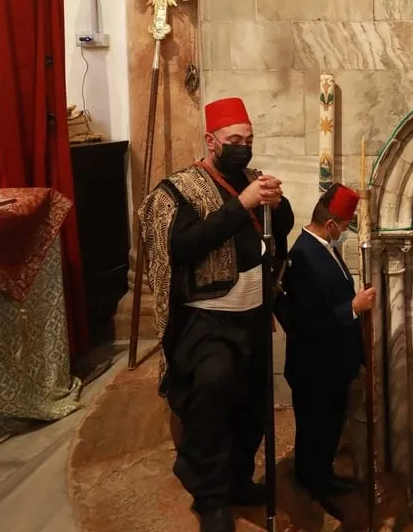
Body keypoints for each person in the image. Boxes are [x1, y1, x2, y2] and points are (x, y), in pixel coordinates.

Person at [139, 97, 294, 532]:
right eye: (234, 140)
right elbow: (183, 246)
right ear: (211, 141)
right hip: (206, 320)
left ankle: (237, 480)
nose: (243, 147)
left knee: (253, 404)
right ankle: (208, 496)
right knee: (213, 395)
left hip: (253, 315)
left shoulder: (252, 179)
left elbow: (278, 232)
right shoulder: (179, 189)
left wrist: (277, 206)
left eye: (248, 139)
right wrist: (241, 204)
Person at [282, 183, 377, 504]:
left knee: (328, 427)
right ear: (332, 223)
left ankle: (320, 476)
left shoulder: (323, 247)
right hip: (315, 365)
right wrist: (354, 307)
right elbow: (307, 320)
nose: (345, 232)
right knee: (315, 428)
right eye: (346, 226)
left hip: (333, 363)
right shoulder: (302, 256)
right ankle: (315, 488)